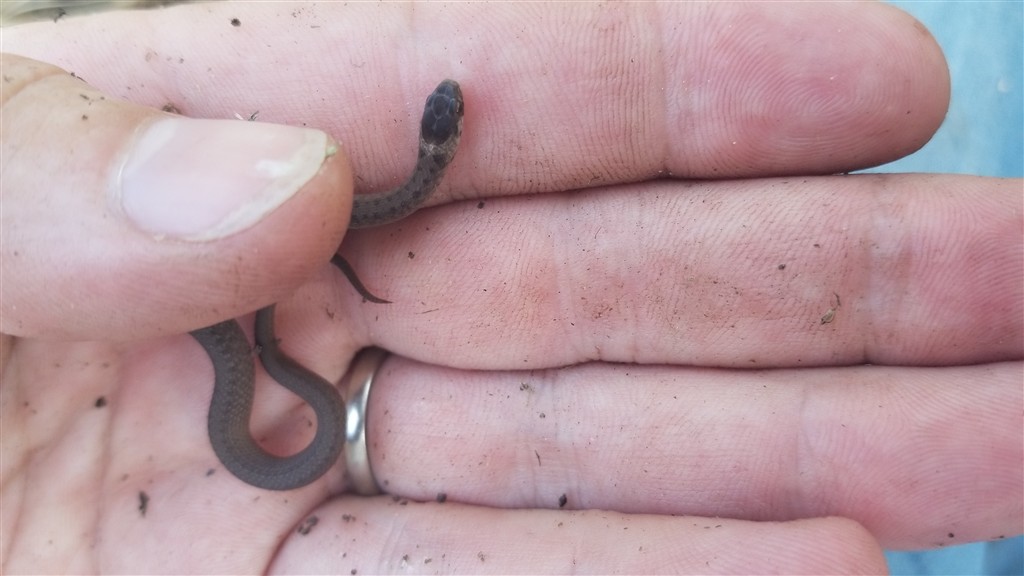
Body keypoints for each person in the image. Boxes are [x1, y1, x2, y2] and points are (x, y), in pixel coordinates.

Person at [1, 3, 1020, 573]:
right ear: (441, 139)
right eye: (444, 115)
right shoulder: (362, 208)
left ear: (434, 139)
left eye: (439, 116)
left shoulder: (377, 202)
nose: (447, 109)